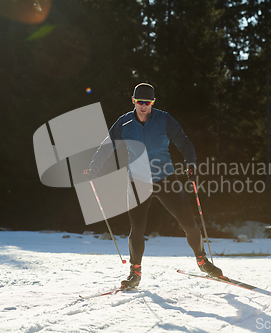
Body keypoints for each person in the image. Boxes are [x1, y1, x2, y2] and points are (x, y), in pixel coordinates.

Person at [83, 83, 224, 288]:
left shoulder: (164, 119)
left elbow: (184, 143)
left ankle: (202, 261)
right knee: (137, 229)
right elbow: (107, 146)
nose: (143, 106)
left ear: (153, 102)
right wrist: (93, 168)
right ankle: (135, 273)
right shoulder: (124, 123)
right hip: (138, 182)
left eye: (147, 102)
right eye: (139, 102)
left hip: (165, 179)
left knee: (190, 224)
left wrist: (190, 165)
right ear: (133, 101)